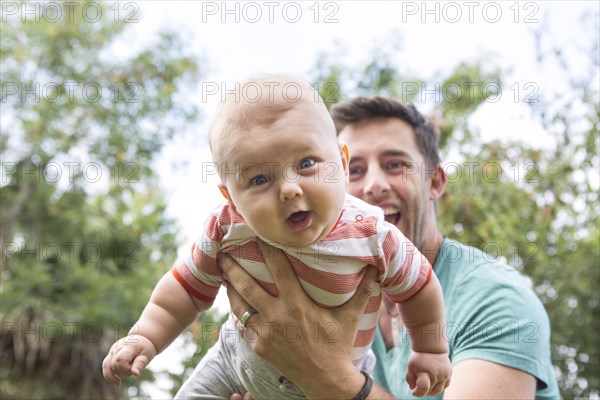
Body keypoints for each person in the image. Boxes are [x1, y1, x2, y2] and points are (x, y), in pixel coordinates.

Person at [102, 78, 452, 398]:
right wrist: (144, 335)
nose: (288, 189)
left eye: (306, 164)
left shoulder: (373, 234)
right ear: (231, 196)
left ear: (341, 164)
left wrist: (429, 350)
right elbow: (182, 291)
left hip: (325, 388)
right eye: (258, 180)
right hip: (234, 364)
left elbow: (419, 287)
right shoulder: (227, 227)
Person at [222, 95, 560, 399]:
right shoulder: (308, 292)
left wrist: (328, 379)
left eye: (395, 164)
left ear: (435, 182)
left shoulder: (494, 298)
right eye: (353, 170)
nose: (373, 185)